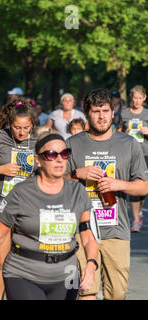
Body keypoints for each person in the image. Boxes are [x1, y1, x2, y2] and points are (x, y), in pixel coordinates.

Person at [0, 132, 98, 300]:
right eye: (51, 155)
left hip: (66, 273)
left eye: (64, 153)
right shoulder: (21, 193)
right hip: (24, 273)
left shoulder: (78, 192)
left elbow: (87, 235)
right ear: (38, 160)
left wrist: (91, 264)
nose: (59, 159)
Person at [66, 88, 148, 300]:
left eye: (105, 110)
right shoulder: (73, 144)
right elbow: (53, 181)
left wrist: (118, 184)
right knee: (85, 291)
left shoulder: (129, 144)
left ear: (113, 113)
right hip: (81, 230)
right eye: (95, 111)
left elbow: (143, 186)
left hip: (116, 231)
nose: (101, 116)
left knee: (117, 294)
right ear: (87, 114)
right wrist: (77, 173)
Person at [0, 98, 38, 299]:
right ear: (10, 123)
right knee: (2, 260)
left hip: (27, 208)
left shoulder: (37, 142)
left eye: (26, 128)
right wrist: (0, 169)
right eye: (17, 127)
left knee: (21, 260)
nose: (21, 132)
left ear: (32, 125)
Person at [119, 85, 148, 233]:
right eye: (134, 98)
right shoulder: (124, 114)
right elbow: (118, 132)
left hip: (146, 154)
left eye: (140, 98)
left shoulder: (147, 114)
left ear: (144, 98)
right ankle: (136, 220)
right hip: (130, 153)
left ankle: (140, 209)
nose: (137, 101)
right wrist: (125, 133)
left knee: (144, 188)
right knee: (134, 185)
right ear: (131, 98)